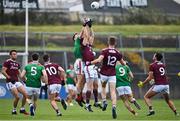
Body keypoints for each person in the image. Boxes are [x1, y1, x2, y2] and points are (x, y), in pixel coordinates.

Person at [90, 36, 125, 119]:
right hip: (112, 74)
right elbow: (123, 64)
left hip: (103, 73)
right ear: (115, 43)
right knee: (113, 91)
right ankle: (114, 106)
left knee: (103, 87)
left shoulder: (104, 51)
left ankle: (104, 101)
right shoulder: (118, 53)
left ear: (108, 42)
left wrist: (90, 62)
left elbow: (99, 60)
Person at [1, 50, 29, 115]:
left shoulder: (17, 64)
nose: (15, 55)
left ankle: (22, 109)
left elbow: (19, 74)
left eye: (15, 54)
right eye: (13, 54)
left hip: (17, 81)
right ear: (10, 55)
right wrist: (9, 77)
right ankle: (14, 110)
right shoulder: (7, 62)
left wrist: (25, 80)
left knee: (25, 94)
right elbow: (3, 71)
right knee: (17, 97)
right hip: (10, 82)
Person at [73, 33, 85, 107]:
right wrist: (85, 25)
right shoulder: (77, 40)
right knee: (80, 81)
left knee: (82, 81)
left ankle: (80, 97)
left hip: (80, 62)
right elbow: (82, 33)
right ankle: (77, 97)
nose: (78, 35)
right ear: (74, 38)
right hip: (80, 62)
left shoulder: (79, 43)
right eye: (76, 35)